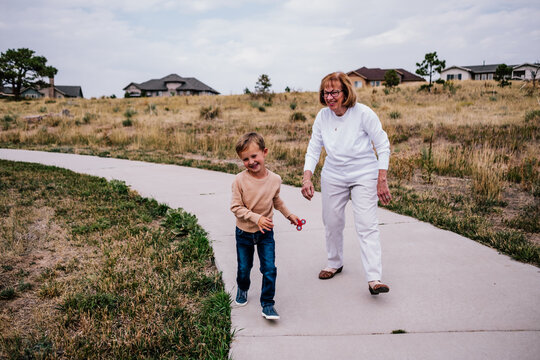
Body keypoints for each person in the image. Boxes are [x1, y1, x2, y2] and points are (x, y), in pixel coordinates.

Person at [301, 72, 392, 295]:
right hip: (334, 174)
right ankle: (334, 262)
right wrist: (307, 177)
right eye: (326, 92)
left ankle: (374, 278)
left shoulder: (363, 113)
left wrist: (382, 179)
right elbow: (314, 147)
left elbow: (382, 144)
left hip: (364, 173)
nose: (330, 97)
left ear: (346, 92)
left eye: (334, 92)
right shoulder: (323, 117)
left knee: (366, 223)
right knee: (331, 221)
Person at [231, 132, 300, 319]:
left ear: (264, 152)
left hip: (265, 232)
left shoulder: (275, 179)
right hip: (244, 232)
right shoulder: (239, 180)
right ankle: (243, 288)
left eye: (254, 156)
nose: (251, 161)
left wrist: (289, 215)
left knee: (269, 268)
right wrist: (255, 218)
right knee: (245, 267)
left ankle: (268, 303)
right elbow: (236, 207)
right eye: (245, 159)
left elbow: (276, 200)